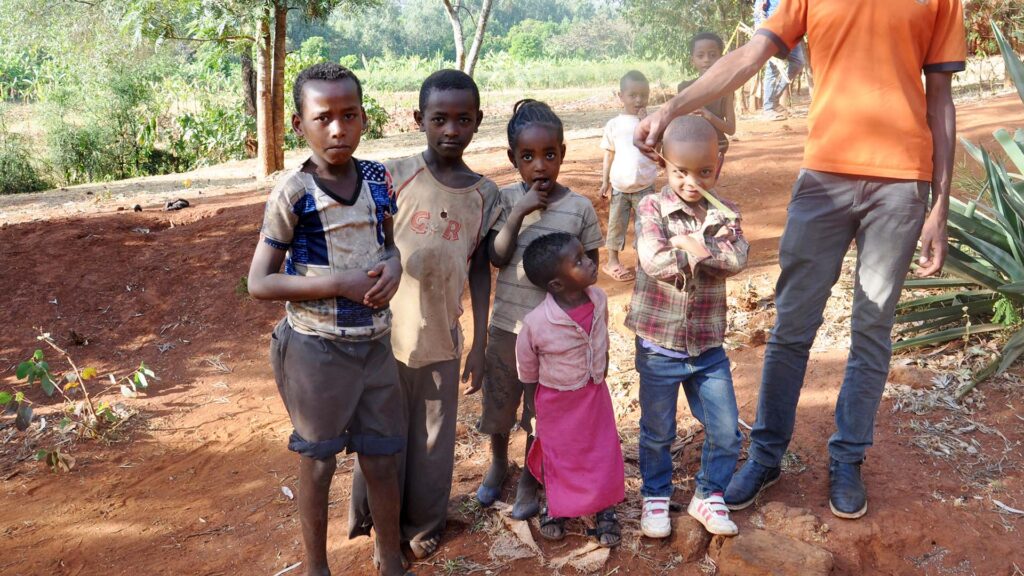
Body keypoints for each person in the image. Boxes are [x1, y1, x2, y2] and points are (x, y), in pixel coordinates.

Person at [636, 0, 965, 519]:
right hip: (824, 180)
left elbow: (940, 99)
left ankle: (848, 459)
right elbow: (751, 55)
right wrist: (672, 108)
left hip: (902, 183)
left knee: (872, 328)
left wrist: (940, 204)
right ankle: (766, 456)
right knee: (791, 327)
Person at [247, 63, 410, 576]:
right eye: (323, 118)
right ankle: (317, 567)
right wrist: (340, 283)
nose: (337, 128)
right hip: (316, 350)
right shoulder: (293, 194)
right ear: (299, 125)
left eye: (349, 115)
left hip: (376, 345)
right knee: (318, 462)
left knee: (382, 458)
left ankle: (388, 558)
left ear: (364, 118)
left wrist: (396, 264)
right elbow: (260, 283)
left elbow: (388, 245)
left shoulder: (378, 178)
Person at [347, 69, 499, 561]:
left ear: (478, 122)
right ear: (419, 120)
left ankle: (423, 521)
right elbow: (363, 241)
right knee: (381, 432)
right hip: (384, 335)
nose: (451, 130)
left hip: (441, 335)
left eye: (463, 119)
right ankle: (375, 520)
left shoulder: (484, 195)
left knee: (433, 440)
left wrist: (478, 342)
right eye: (440, 119)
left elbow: (479, 267)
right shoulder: (394, 175)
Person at [476, 99, 605, 520]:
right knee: (500, 403)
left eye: (549, 155)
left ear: (563, 154)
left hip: (556, 338)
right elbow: (496, 258)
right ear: (512, 158)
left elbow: (591, 269)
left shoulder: (579, 208)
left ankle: (531, 478)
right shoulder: (504, 199)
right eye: (527, 157)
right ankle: (498, 461)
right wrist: (518, 213)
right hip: (508, 327)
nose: (539, 166)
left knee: (541, 411)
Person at [627, 115, 749, 538]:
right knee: (657, 431)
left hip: (707, 347)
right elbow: (653, 260)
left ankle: (709, 494)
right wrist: (704, 248)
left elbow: (738, 259)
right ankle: (656, 495)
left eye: (704, 172)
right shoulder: (651, 206)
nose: (691, 182)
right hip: (659, 346)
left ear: (719, 165)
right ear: (664, 163)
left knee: (725, 429)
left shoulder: (727, 211)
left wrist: (688, 246)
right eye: (680, 171)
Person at [516, 232, 625, 546]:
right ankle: (557, 507)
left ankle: (605, 510)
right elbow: (527, 365)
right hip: (556, 401)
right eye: (578, 261)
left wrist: (601, 366)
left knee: (602, 450)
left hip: (593, 393)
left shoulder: (599, 298)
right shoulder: (536, 323)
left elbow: (601, 335)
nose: (590, 262)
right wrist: (531, 404)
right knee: (559, 455)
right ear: (557, 285)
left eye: (585, 255)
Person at [599, 70, 658, 282]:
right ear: (620, 95)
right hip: (620, 186)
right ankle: (612, 262)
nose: (639, 100)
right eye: (633, 95)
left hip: (645, 186)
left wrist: (648, 123)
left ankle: (644, 262)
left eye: (644, 95)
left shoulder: (653, 121)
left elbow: (658, 148)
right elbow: (609, 153)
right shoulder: (614, 124)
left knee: (646, 225)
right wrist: (605, 181)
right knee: (616, 224)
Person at [677, 31, 736, 174]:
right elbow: (679, 124)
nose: (706, 60)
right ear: (693, 60)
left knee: (706, 186)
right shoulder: (684, 88)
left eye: (712, 55)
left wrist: (707, 115)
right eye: (700, 55)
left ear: (721, 58)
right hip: (689, 147)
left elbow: (730, 129)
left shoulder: (726, 90)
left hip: (716, 148)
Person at [754, 0, 805, 120]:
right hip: (773, 29)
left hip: (791, 29)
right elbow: (759, 9)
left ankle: (774, 99)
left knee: (798, 63)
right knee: (773, 68)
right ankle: (769, 108)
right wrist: (761, 30)